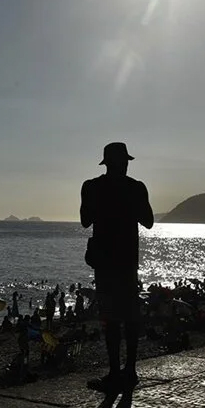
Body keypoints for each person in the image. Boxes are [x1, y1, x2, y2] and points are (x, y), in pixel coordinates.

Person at [80, 142, 153, 393]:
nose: (125, 166)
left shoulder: (92, 187)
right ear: (122, 163)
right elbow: (149, 221)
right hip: (127, 261)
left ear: (106, 163)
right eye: (124, 162)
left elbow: (84, 220)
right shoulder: (136, 188)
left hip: (105, 262)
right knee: (129, 317)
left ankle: (116, 372)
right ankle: (129, 371)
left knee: (111, 318)